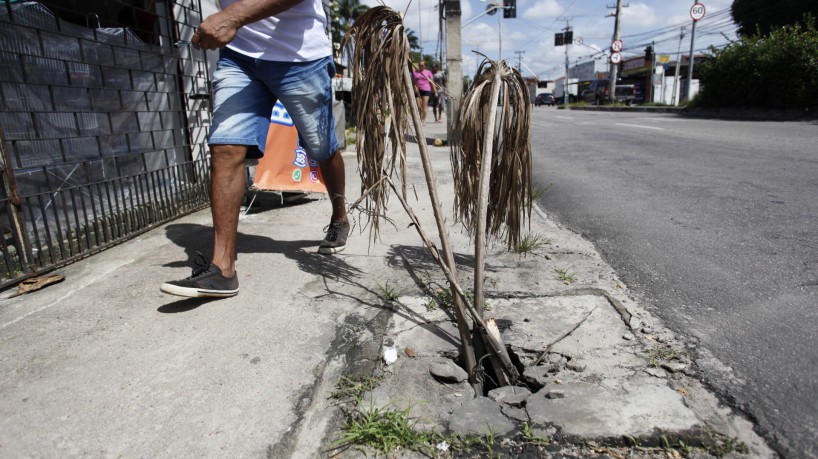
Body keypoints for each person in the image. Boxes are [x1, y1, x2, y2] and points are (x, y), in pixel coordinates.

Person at [160, 0, 348, 298]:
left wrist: (231, 16)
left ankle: (339, 216)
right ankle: (222, 270)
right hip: (239, 57)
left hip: (301, 58)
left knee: (321, 148)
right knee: (225, 147)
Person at [412, 61, 435, 125]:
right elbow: (413, 82)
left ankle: (424, 120)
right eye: (419, 65)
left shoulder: (428, 72)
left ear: (424, 66)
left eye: (422, 65)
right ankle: (420, 117)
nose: (420, 66)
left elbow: (432, 82)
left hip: (426, 90)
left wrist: (435, 91)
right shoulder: (415, 73)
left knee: (424, 106)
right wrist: (415, 88)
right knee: (418, 106)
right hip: (417, 90)